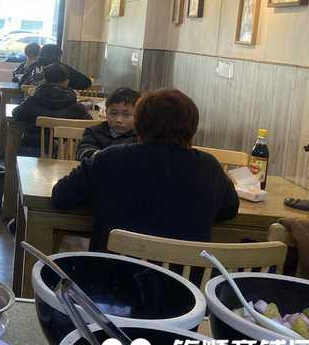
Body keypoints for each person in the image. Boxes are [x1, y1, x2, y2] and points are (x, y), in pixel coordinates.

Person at [51, 89, 239, 251]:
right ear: (192, 127)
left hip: (111, 274)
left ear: (138, 123)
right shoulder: (209, 167)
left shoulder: (108, 159)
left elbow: (61, 196)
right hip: (182, 279)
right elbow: (229, 210)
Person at [12, 63, 91, 148]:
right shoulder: (77, 108)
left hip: (34, 150)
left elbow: (16, 114)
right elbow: (90, 125)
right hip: (65, 152)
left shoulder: (32, 101)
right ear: (66, 82)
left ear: (44, 80)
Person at [76, 87, 140, 161]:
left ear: (138, 115)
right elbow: (83, 151)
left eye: (126, 115)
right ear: (106, 113)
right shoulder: (94, 132)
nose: (118, 120)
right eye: (113, 113)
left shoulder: (141, 136)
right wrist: (103, 157)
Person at [18, 44, 91, 91]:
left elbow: (21, 84)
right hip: (58, 106)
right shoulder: (62, 68)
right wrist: (68, 83)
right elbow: (86, 82)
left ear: (41, 54)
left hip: (32, 105)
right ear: (58, 56)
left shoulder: (32, 66)